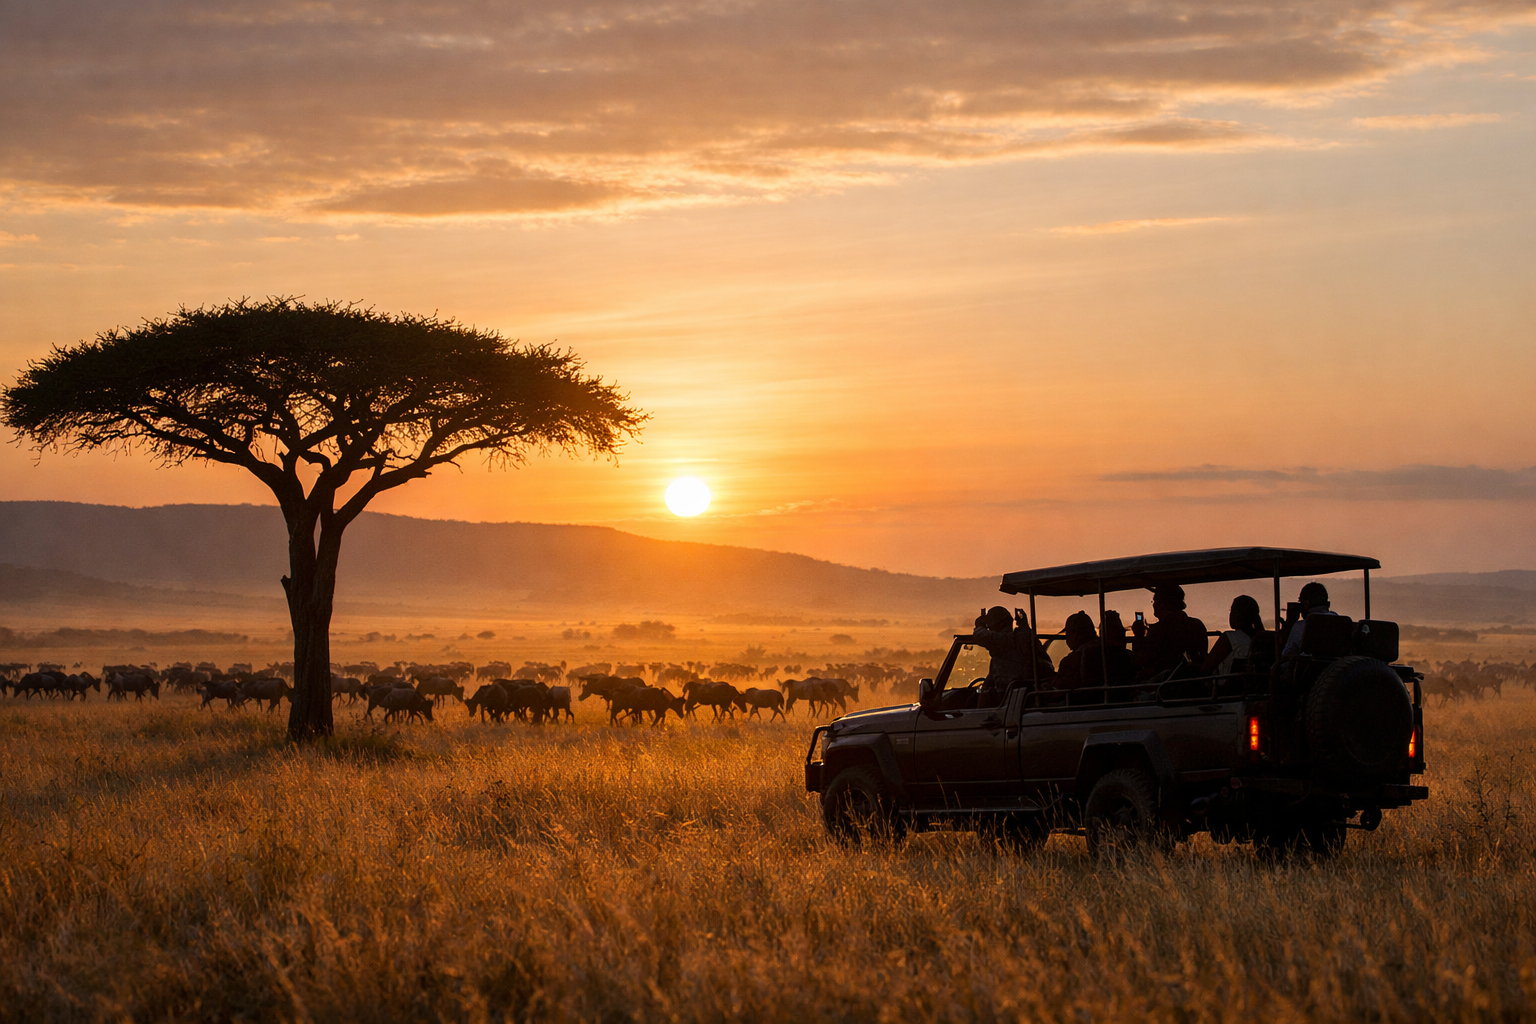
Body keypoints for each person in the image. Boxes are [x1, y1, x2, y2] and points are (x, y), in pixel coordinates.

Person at [971, 605, 1054, 704]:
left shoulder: (1004, 641)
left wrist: (979, 625)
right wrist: (1024, 625)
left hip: (1006, 695)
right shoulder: (1024, 637)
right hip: (1021, 693)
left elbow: (981, 636)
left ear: (999, 624)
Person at [1131, 584, 1209, 679]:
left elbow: (1142, 660)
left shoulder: (1158, 630)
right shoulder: (1197, 625)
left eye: (1155, 601)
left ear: (1162, 604)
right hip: (1193, 681)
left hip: (1162, 685)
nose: (1153, 604)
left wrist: (1138, 635)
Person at [1055, 609, 1136, 693]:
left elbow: (1063, 687)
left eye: (1067, 633)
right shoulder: (1123, 654)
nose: (1067, 638)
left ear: (1076, 634)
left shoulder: (1072, 660)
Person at [1201, 595, 1267, 675]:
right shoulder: (1265, 638)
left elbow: (1206, 668)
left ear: (1237, 615)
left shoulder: (1230, 638)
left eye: (1231, 610)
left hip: (1229, 686)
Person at [1281, 582, 1336, 659]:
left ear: (1306, 604)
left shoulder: (1301, 626)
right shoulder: (1339, 621)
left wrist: (1289, 622)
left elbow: (1287, 654)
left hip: (1307, 669)